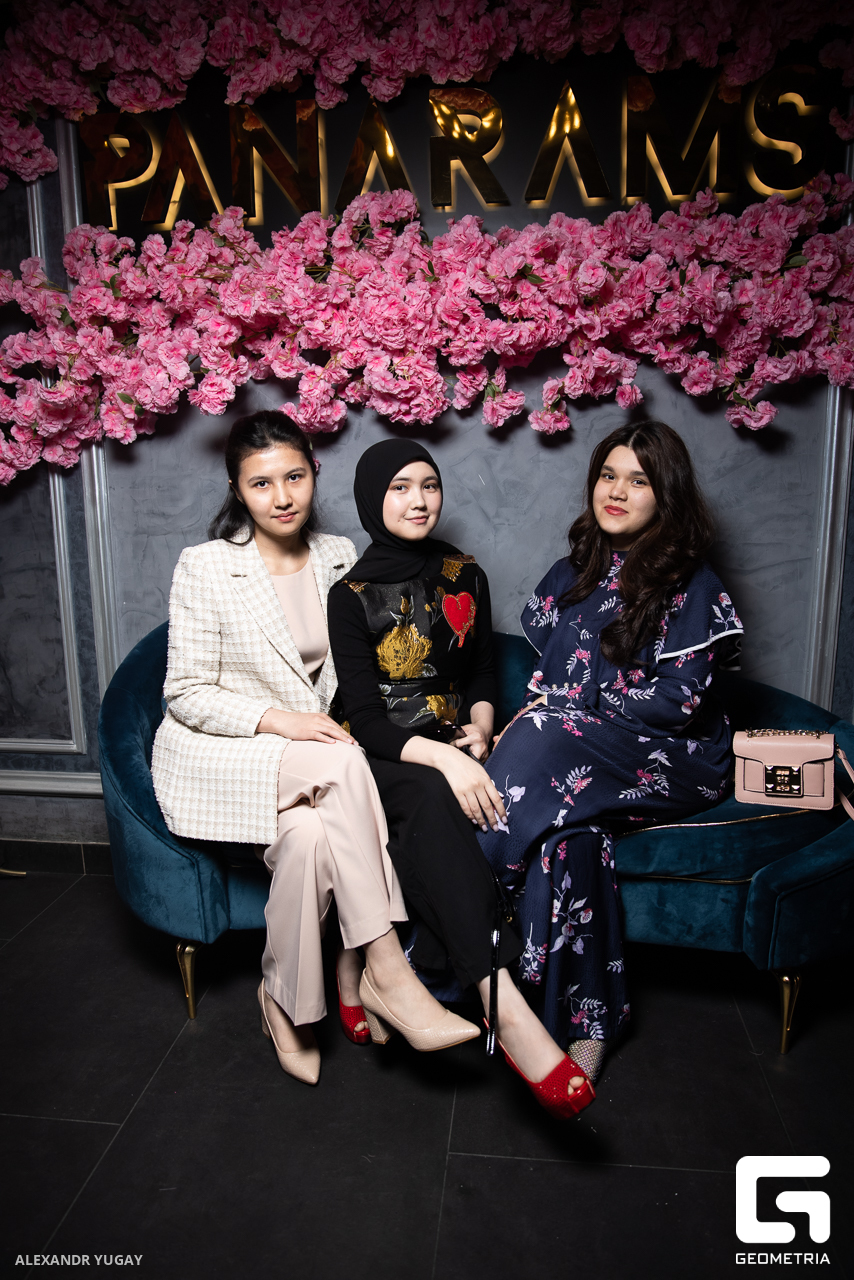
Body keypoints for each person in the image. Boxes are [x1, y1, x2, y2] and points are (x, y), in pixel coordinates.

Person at [151, 411, 479, 1087]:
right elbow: (184, 692)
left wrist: (455, 721)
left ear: (314, 474)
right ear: (237, 490)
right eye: (261, 483)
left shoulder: (339, 556)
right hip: (229, 753)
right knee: (343, 760)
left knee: (305, 841)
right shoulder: (206, 567)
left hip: (317, 761)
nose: (282, 497)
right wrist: (282, 721)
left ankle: (285, 1004)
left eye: (295, 477)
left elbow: (369, 666)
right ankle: (386, 968)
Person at [328, 439, 595, 1119]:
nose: (418, 501)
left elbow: (479, 672)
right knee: (431, 792)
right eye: (399, 488)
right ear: (372, 499)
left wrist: (478, 729)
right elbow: (365, 720)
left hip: (451, 740)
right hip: (377, 751)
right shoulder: (349, 595)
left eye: (429, 485)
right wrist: (447, 759)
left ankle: (383, 971)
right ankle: (503, 1007)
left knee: (486, 803)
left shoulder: (465, 573)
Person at [477, 421, 744, 1082]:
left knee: (539, 731)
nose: (617, 491)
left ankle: (446, 936)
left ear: (666, 494)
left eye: (638, 480)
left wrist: (563, 710)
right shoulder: (574, 572)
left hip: (673, 757)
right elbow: (550, 676)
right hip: (585, 755)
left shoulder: (691, 582)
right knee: (568, 841)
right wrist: (550, 713)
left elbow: (678, 703)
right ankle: (586, 1027)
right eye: (607, 475)